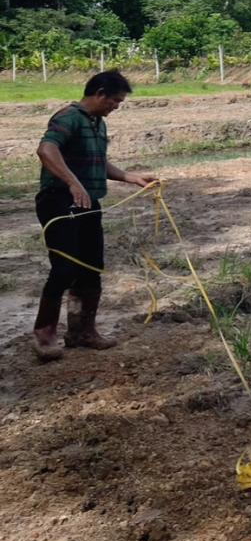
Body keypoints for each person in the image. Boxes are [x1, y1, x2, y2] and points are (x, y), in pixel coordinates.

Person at [32, 70, 157, 361]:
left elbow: (99, 162)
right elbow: (46, 149)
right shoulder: (68, 117)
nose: (116, 106)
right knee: (64, 267)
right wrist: (73, 183)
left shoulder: (97, 123)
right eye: (114, 100)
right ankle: (44, 335)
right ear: (99, 93)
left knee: (91, 267)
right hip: (59, 202)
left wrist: (131, 177)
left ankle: (81, 332)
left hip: (89, 202)